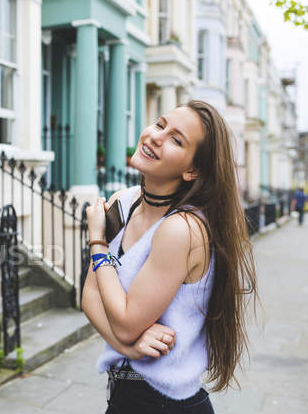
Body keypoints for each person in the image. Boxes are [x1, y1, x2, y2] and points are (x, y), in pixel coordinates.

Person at [82, 100, 258, 413]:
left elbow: (123, 322)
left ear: (192, 170)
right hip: (123, 397)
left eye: (177, 140)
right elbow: (90, 297)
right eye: (161, 124)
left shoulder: (182, 229)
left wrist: (97, 242)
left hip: (168, 405)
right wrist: (132, 348)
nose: (155, 136)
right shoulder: (123, 204)